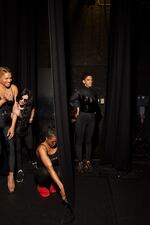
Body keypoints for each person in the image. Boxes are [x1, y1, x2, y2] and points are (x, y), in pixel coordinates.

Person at [70, 72, 101, 173]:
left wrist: (95, 112)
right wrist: (77, 108)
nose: (90, 81)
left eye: (91, 79)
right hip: (82, 117)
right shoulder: (79, 91)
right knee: (79, 140)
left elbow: (96, 105)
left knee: (89, 140)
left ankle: (87, 161)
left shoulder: (94, 92)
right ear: (84, 81)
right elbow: (72, 100)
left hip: (91, 117)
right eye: (88, 79)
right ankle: (79, 162)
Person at [34, 127, 67, 202]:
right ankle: (41, 186)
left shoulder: (58, 145)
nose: (54, 143)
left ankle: (53, 182)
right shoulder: (42, 148)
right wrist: (62, 188)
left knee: (61, 170)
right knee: (45, 173)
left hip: (53, 169)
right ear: (46, 138)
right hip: (42, 171)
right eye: (52, 141)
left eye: (56, 141)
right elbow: (49, 168)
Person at [12, 88, 37, 183]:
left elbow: (32, 110)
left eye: (25, 100)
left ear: (28, 100)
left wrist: (30, 117)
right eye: (21, 98)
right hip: (17, 130)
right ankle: (19, 170)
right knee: (18, 149)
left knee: (30, 146)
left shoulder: (29, 107)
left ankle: (34, 161)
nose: (22, 101)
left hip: (27, 128)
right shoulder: (15, 104)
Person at [0, 66, 18, 192]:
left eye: (10, 78)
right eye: (6, 78)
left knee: (11, 147)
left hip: (7, 123)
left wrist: (12, 126)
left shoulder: (14, 88)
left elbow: (15, 109)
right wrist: (3, 100)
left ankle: (11, 176)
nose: (9, 80)